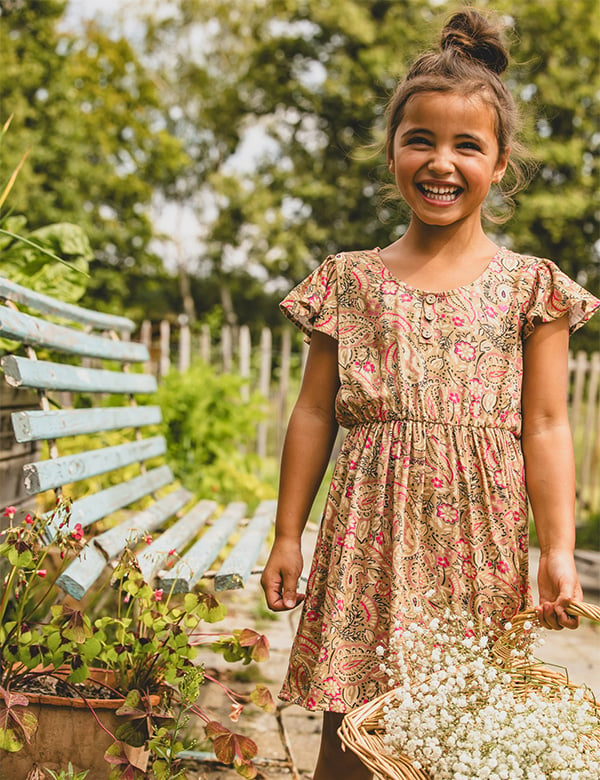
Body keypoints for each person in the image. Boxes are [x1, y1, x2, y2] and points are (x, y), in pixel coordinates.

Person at [260, 8, 600, 780]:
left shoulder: (531, 287)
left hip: (477, 543)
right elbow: (313, 412)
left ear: (501, 163)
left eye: (466, 145)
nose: (440, 162)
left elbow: (546, 424)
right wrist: (288, 534)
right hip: (366, 537)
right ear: (392, 153)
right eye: (420, 139)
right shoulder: (347, 282)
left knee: (465, 726)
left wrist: (555, 547)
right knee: (354, 727)